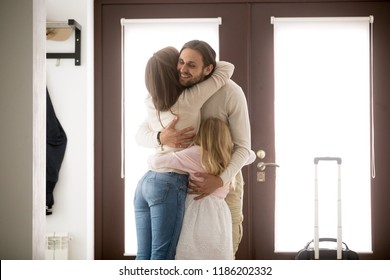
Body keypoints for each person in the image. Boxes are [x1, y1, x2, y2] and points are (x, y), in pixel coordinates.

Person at [137, 40, 252, 257]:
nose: (182, 70)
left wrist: (220, 179)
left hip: (223, 183)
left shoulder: (230, 92)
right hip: (182, 183)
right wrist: (162, 137)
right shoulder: (175, 91)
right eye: (180, 62)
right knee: (184, 252)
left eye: (191, 65)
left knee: (225, 248)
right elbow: (141, 134)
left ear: (208, 69)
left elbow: (244, 148)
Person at [148, 117, 255, 259]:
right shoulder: (231, 157)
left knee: (192, 254)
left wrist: (163, 147)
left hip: (195, 208)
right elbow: (251, 156)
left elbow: (155, 162)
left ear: (201, 133)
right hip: (220, 212)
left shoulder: (195, 153)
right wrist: (231, 145)